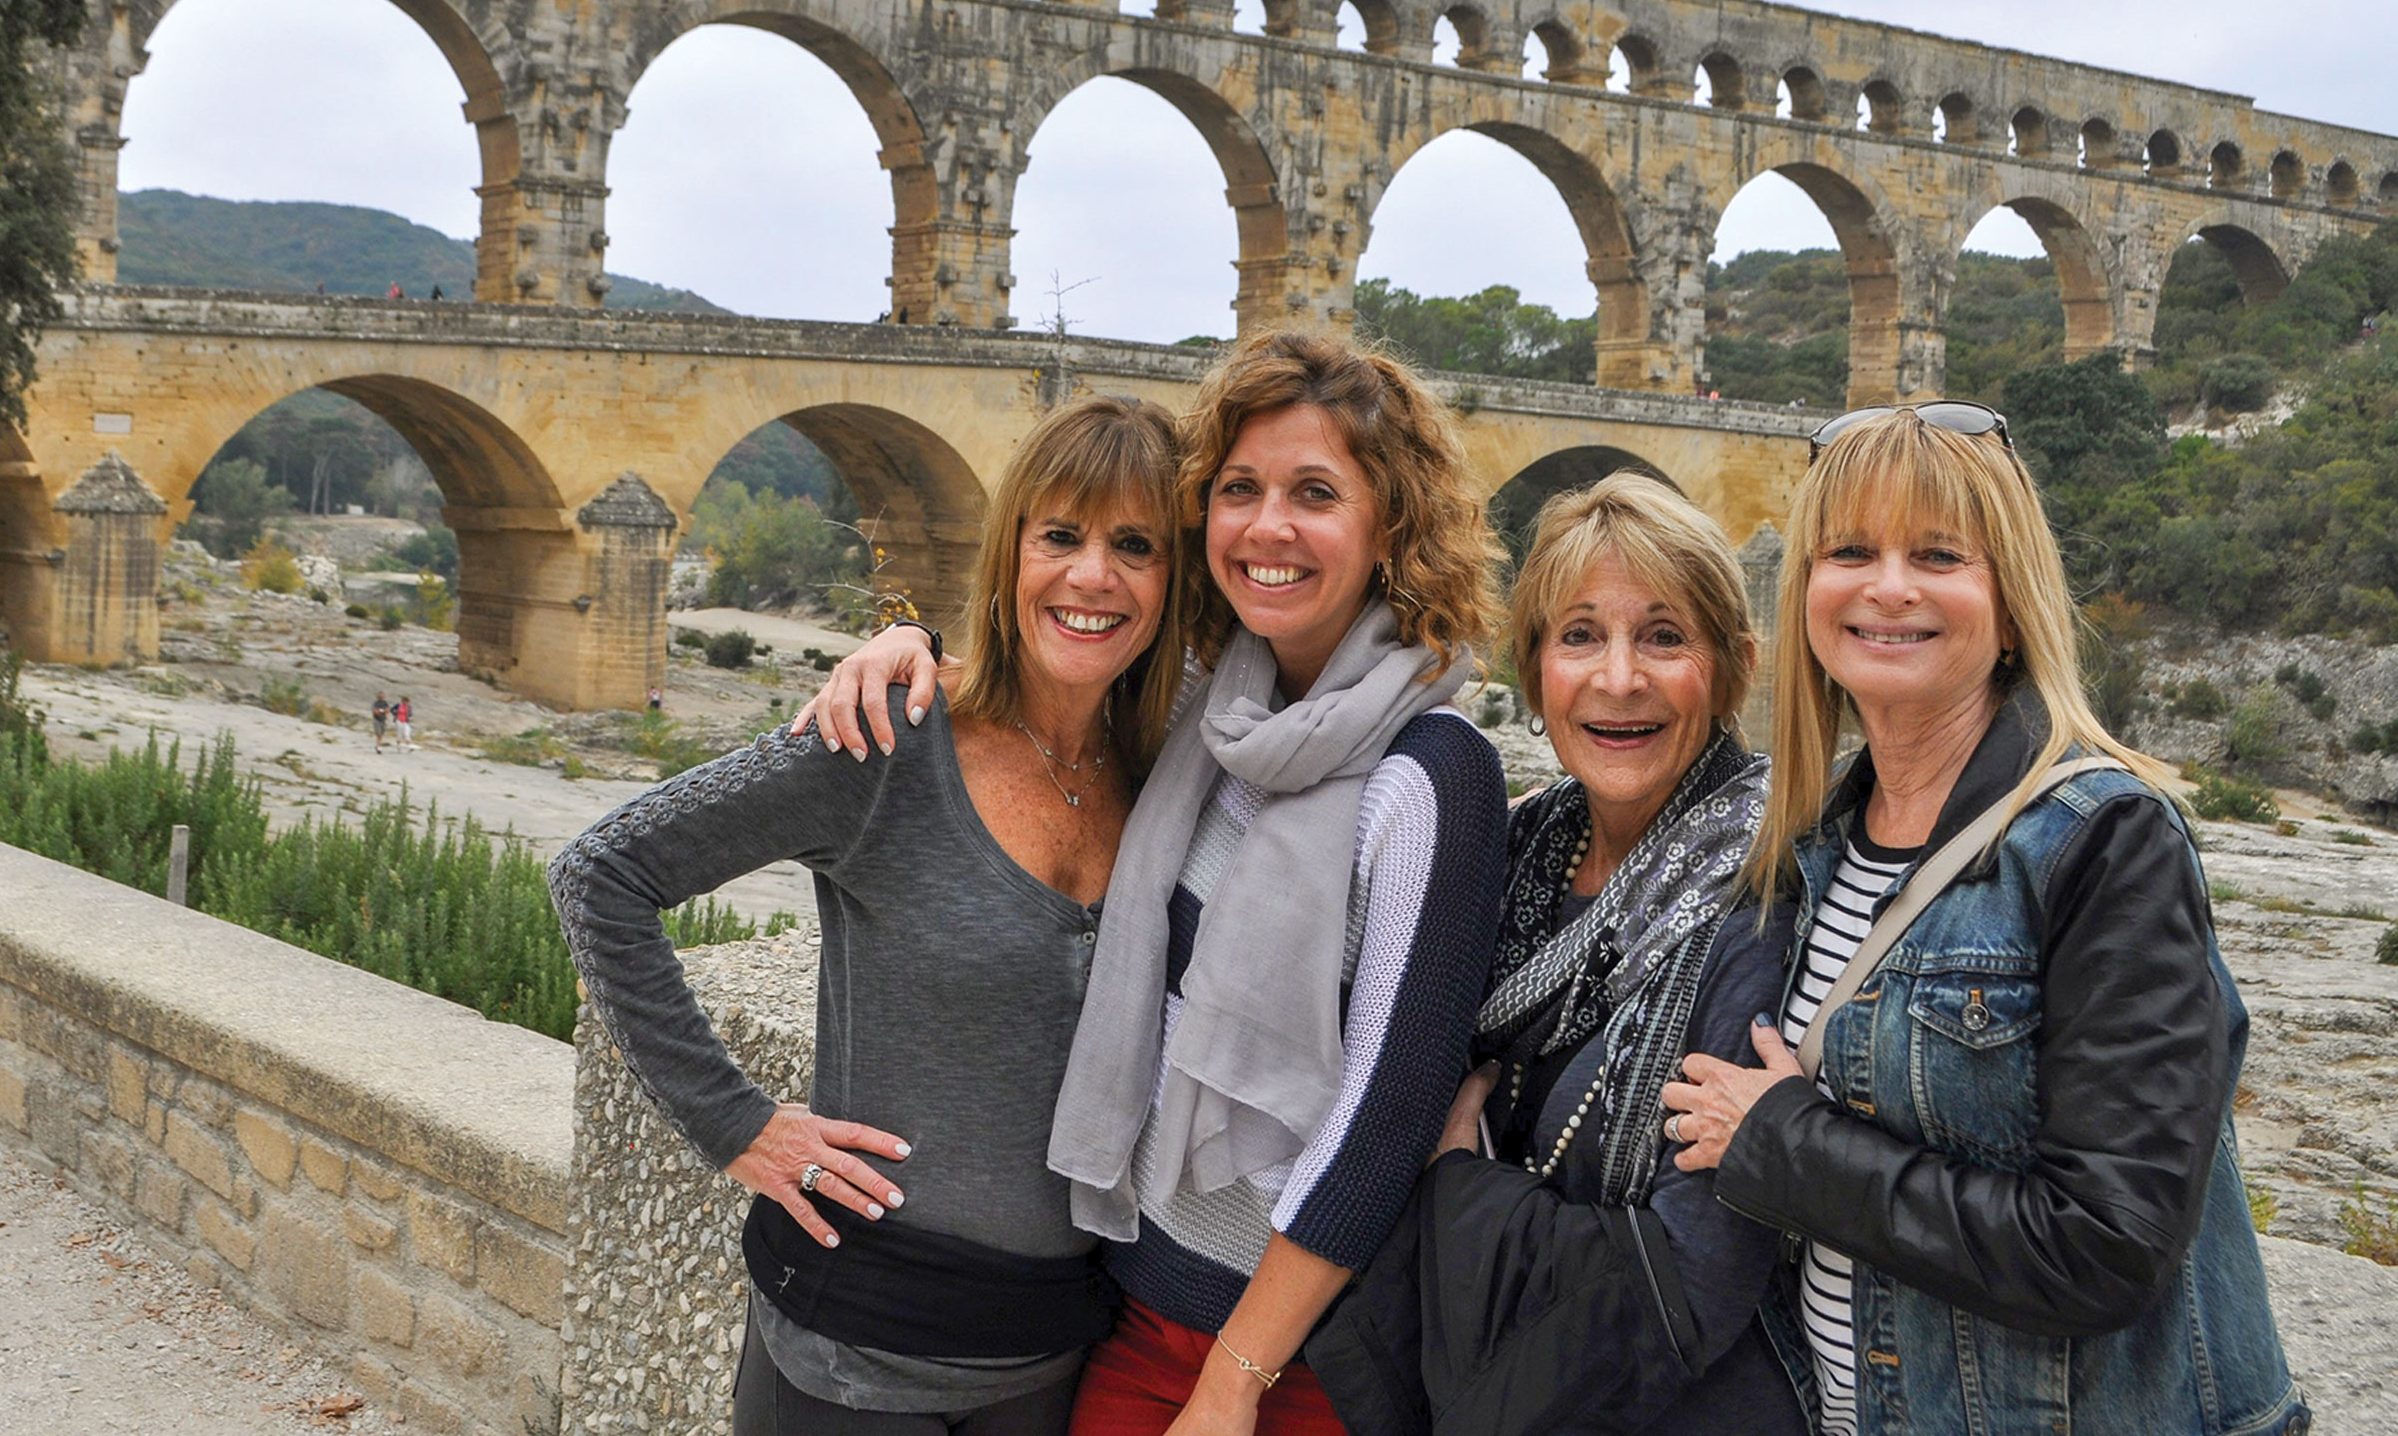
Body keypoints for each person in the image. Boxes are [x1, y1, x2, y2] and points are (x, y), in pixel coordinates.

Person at [805, 332, 1513, 1436]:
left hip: (1291, 1366)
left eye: (1315, 492)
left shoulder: (1432, 775)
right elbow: (1058, 639)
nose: (1267, 526)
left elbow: (1385, 1115)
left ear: (1392, 525)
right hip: (1127, 1311)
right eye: (1239, 490)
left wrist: (1235, 1381)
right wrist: (908, 643)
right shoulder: (1201, 715)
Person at [1658, 403, 2305, 1436]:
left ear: (2009, 596)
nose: (1889, 587)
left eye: (1939, 554)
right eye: (1851, 551)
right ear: (1806, 589)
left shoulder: (2104, 843)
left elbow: (2105, 1247)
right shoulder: (1810, 841)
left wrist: (1787, 1143)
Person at [553, 395, 1194, 1435]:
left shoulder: (1168, 771)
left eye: (1137, 545)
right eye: (1061, 536)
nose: (1093, 575)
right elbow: (601, 874)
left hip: (1049, 1353)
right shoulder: (887, 743)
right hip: (851, 1355)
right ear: (1010, 556)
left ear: (1177, 580)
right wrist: (737, 1124)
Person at [1303, 473, 1800, 1435]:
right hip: (1479, 1385)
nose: (1619, 678)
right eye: (1579, 636)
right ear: (1532, 672)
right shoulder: (1513, 846)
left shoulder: (1763, 899)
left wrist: (1458, 1184)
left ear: (1734, 667)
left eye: (1664, 636)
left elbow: (1692, 1284)